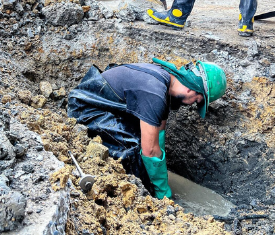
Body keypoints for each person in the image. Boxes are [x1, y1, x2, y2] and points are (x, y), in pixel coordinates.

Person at [67, 59, 227, 199]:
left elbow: (159, 133)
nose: (191, 104)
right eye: (196, 100)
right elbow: (149, 150)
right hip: (87, 107)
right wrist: (163, 192)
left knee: (146, 144)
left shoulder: (166, 80)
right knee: (135, 149)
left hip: (108, 104)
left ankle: (147, 182)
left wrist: (158, 166)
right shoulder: (155, 93)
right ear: (191, 89)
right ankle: (134, 194)